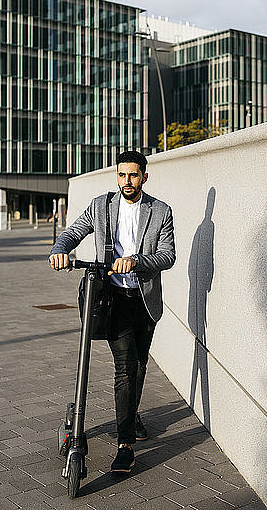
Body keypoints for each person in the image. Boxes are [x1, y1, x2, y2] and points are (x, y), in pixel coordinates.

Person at [48, 150, 175, 472]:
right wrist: (59, 251)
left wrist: (137, 261)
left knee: (140, 363)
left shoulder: (160, 211)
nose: (127, 181)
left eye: (133, 175)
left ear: (144, 177)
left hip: (144, 298)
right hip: (112, 296)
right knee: (125, 367)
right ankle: (125, 443)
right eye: (122, 175)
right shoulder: (101, 206)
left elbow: (167, 256)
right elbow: (72, 233)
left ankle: (131, 414)